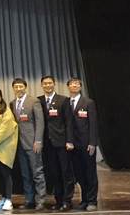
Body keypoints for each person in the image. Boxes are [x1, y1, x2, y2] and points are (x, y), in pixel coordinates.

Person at [39, 75, 75, 211]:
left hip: (62, 142)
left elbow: (69, 121)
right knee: (54, 173)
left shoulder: (63, 100)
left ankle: (67, 201)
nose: (47, 85)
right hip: (47, 143)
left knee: (66, 172)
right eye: (45, 83)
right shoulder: (39, 101)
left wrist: (69, 140)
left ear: (54, 84)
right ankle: (58, 200)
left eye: (50, 83)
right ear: (41, 85)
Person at [9, 78, 46, 210]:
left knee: (37, 173)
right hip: (19, 144)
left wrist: (38, 141)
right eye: (16, 87)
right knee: (25, 174)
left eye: (21, 86)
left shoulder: (34, 101)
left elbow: (40, 122)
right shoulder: (12, 103)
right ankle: (29, 200)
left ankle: (41, 200)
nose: (18, 89)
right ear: (13, 89)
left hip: (32, 143)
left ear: (25, 87)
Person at [66, 78, 99, 212]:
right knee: (79, 174)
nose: (74, 85)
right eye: (72, 84)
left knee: (90, 173)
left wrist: (93, 142)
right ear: (68, 87)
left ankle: (92, 201)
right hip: (72, 145)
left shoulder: (88, 102)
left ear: (80, 87)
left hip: (86, 144)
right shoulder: (66, 102)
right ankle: (84, 199)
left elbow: (93, 123)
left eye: (77, 84)